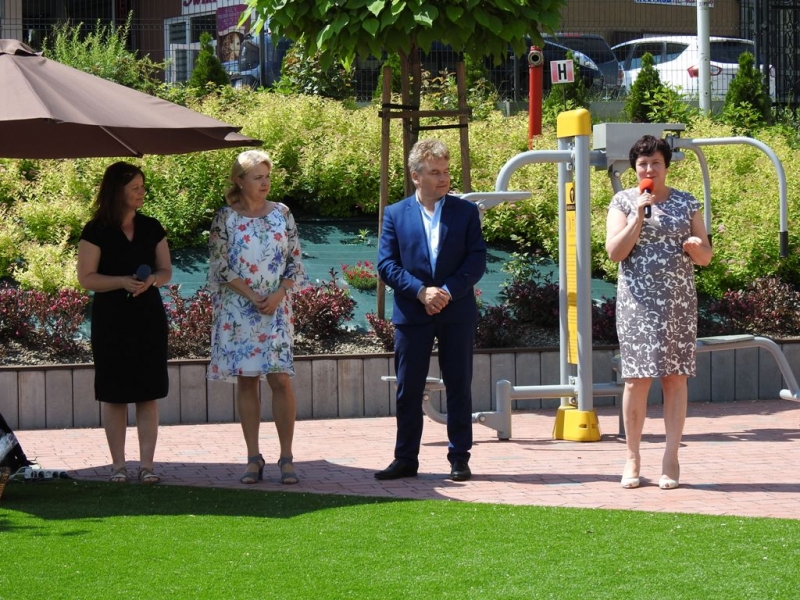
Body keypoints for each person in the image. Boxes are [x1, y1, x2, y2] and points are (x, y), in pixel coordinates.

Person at [375, 139, 487, 482]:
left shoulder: (465, 212)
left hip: (456, 311)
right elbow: (386, 264)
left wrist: (447, 292)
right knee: (408, 388)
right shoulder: (395, 214)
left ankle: (459, 458)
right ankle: (405, 458)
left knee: (459, 385)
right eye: (435, 172)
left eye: (446, 171)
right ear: (416, 176)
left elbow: (477, 259)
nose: (443, 178)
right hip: (413, 313)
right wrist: (421, 292)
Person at [605, 135, 712, 490]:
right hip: (637, 302)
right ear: (634, 168)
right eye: (643, 164)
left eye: (656, 163)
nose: (649, 169)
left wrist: (695, 247)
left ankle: (671, 457)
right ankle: (632, 457)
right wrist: (638, 216)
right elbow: (615, 253)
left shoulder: (686, 202)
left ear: (666, 167)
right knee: (636, 379)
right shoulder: (623, 202)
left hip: (677, 302)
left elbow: (706, 256)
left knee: (675, 377)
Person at [207, 149, 307, 485]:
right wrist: (252, 296)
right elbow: (220, 265)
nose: (265, 183)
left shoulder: (282, 213)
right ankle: (253, 458)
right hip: (238, 311)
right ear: (239, 181)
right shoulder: (225, 218)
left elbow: (295, 261)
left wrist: (278, 295)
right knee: (247, 381)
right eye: (257, 178)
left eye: (267, 177)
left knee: (280, 379)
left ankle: (287, 458)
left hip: (276, 310)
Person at [77, 162, 172, 484]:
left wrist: (152, 281)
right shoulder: (95, 230)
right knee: (114, 394)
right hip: (111, 320)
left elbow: (165, 271)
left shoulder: (152, 227)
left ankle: (147, 466)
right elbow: (86, 278)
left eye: (143, 186)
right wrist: (120, 281)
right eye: (135, 188)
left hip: (148, 318)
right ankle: (118, 466)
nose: (142, 192)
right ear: (117, 191)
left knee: (148, 393)